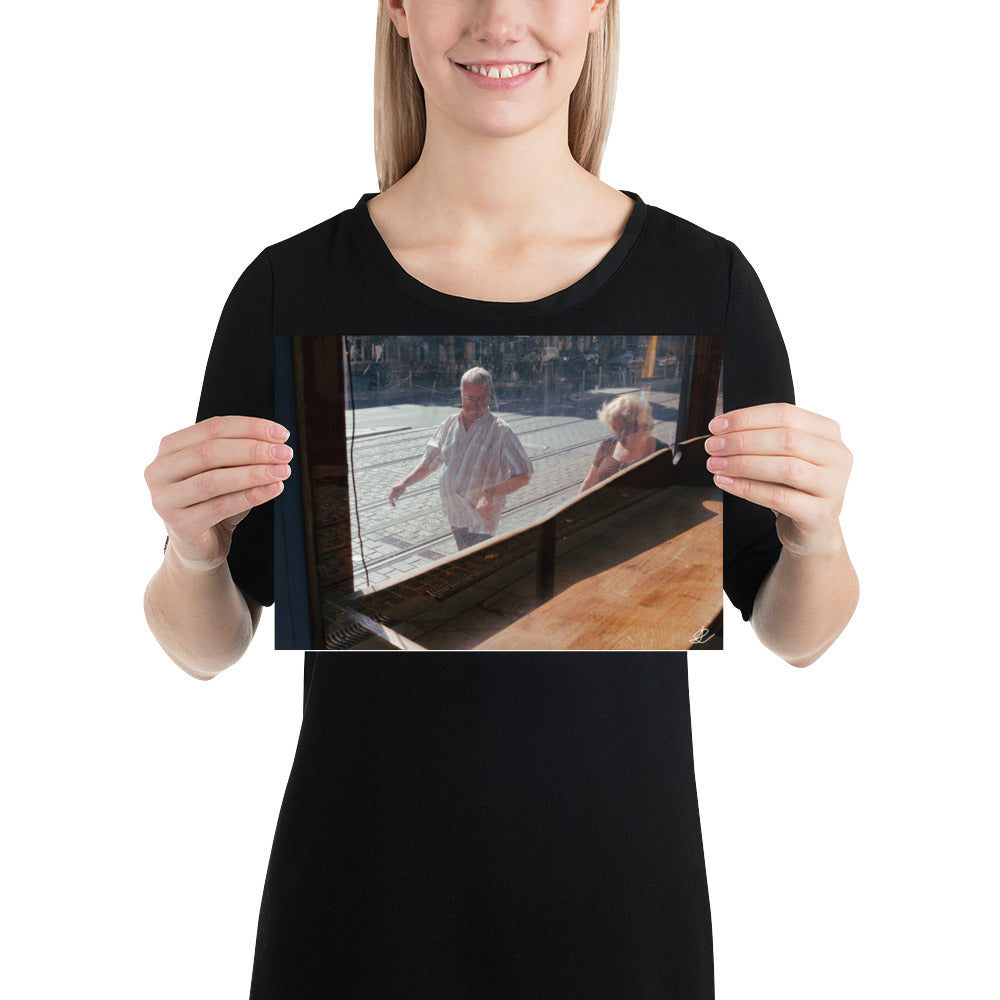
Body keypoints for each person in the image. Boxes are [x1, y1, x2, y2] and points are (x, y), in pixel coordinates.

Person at [143, 1, 859, 996]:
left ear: (601, 8)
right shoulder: (287, 288)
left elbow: (795, 631)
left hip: (619, 922)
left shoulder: (708, 283)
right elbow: (206, 643)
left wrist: (816, 538)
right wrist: (192, 553)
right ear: (397, 9)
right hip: (360, 918)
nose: (499, 17)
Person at [387, 366, 533, 549]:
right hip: (456, 512)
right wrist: (404, 483)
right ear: (461, 394)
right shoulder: (449, 424)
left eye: (482, 398)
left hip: (482, 515)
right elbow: (429, 461)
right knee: (465, 558)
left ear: (490, 396)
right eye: (469, 398)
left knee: (474, 563)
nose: (475, 405)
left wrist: (490, 494)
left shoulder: (501, 432)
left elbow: (525, 475)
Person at [578, 394, 666, 492]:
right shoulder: (607, 445)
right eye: (615, 429)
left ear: (640, 425)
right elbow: (589, 483)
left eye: (625, 429)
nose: (620, 436)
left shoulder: (659, 449)